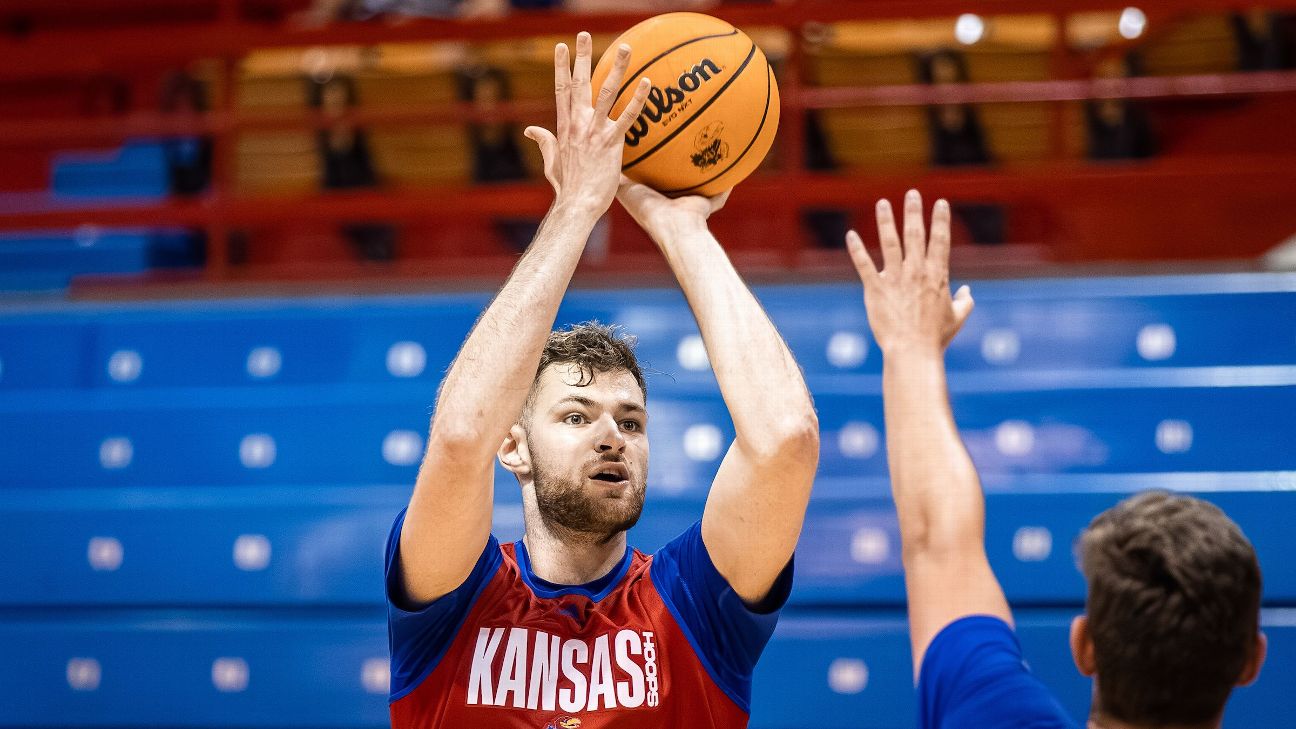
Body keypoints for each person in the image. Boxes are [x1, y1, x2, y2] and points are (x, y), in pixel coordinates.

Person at [385, 33, 820, 728]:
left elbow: (785, 440)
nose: (612, 435)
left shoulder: (690, 605)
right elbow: (462, 432)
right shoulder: (454, 598)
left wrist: (681, 227)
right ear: (515, 447)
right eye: (575, 414)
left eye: (632, 420)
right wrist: (575, 210)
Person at [844, 190, 1267, 729]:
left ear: (1084, 644)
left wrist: (911, 345)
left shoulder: (996, 716)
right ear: (1251, 660)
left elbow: (937, 541)